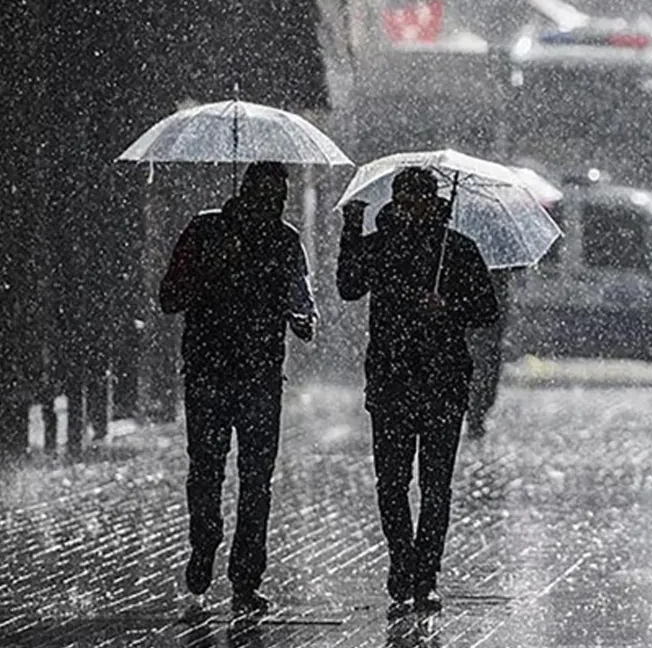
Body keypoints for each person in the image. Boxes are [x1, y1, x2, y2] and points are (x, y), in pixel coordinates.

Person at [338, 168, 500, 615]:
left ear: (434, 202)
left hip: (443, 381)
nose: (410, 210)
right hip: (391, 379)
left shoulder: (458, 250)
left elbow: (486, 310)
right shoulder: (381, 244)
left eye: (418, 201)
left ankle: (426, 575)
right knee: (391, 483)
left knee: (435, 486)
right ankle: (401, 561)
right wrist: (352, 230)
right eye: (404, 201)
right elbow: (349, 287)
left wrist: (447, 306)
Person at [159, 161, 316, 615]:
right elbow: (169, 297)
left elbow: (301, 301)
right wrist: (211, 270)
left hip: (262, 377)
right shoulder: (205, 231)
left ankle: (246, 577)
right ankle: (205, 542)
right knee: (206, 470)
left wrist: (301, 319)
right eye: (265, 196)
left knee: (256, 481)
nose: (272, 206)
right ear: (244, 192)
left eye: (278, 199)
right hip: (209, 373)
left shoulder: (285, 241)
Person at [466, 268, 514, 439]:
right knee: (482, 375)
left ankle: (476, 414)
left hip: (489, 336)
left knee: (486, 376)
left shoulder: (500, 277)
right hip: (479, 335)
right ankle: (475, 414)